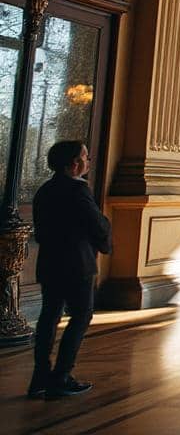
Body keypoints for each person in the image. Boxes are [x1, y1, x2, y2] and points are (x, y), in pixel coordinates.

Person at [29, 140, 108, 400]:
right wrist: (104, 240)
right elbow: (97, 224)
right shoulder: (78, 190)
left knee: (48, 317)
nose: (88, 161)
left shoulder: (45, 190)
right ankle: (62, 376)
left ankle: (40, 376)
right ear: (74, 163)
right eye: (85, 156)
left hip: (50, 263)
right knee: (81, 316)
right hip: (77, 264)